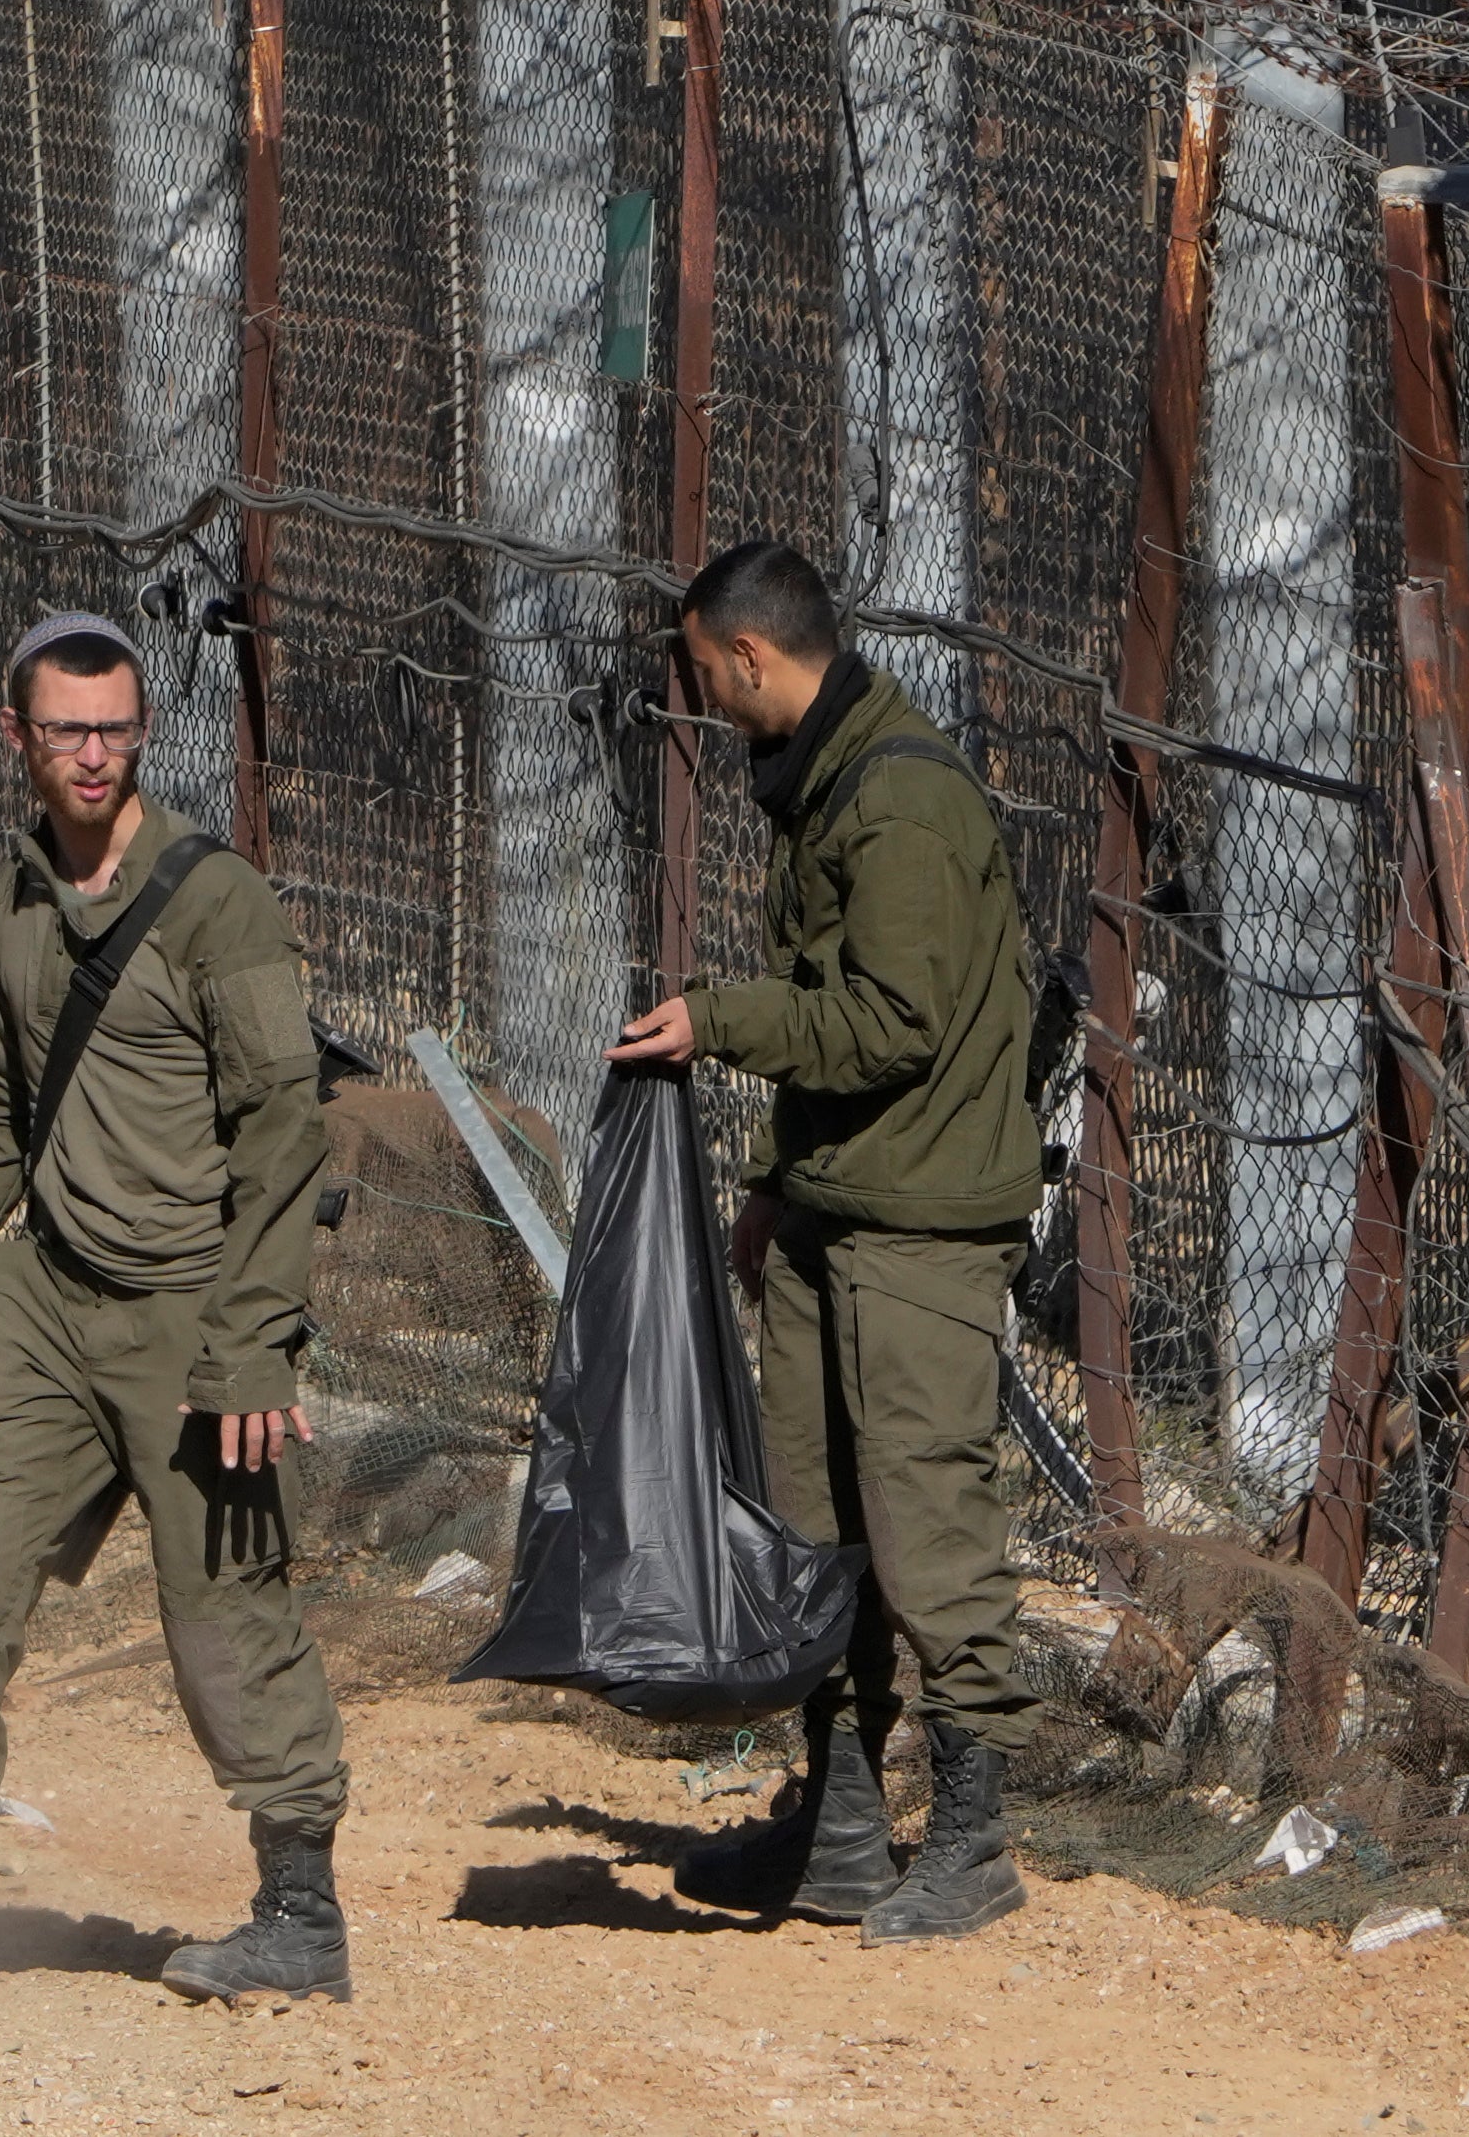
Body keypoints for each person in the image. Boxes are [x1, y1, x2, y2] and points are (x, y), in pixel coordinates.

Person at [0, 611, 344, 2019]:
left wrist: (257, 1336)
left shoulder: (217, 901)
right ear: (15, 735)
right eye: (66, 730)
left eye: (116, 727)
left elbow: (283, 1130)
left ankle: (299, 1908)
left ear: (143, 731)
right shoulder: (14, 900)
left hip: (195, 1308)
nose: (93, 755)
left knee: (225, 1619)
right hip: (46, 1296)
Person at [612, 538, 1043, 1943]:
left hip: (920, 1228)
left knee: (927, 1527)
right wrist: (769, 1182)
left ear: (748, 656)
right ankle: (843, 1825)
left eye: (703, 671)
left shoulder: (900, 801)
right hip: (832, 1205)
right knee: (815, 1530)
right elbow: (835, 1016)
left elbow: (889, 1023)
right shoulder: (824, 779)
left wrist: (717, 1018)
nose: (704, 698)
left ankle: (972, 1836)